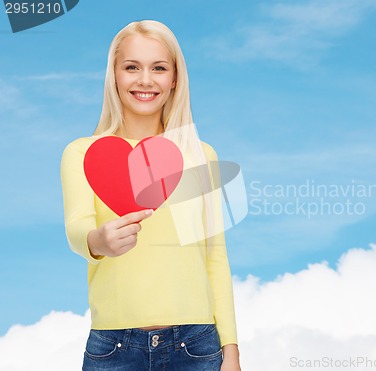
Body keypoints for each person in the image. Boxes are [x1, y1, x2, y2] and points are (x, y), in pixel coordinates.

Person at [60, 20, 241, 371]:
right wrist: (99, 241)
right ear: (114, 75)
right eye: (132, 67)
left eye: (158, 68)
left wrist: (230, 350)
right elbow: (76, 229)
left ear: (175, 78)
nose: (145, 80)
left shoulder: (200, 155)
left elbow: (215, 258)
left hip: (197, 345)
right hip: (113, 346)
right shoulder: (82, 152)